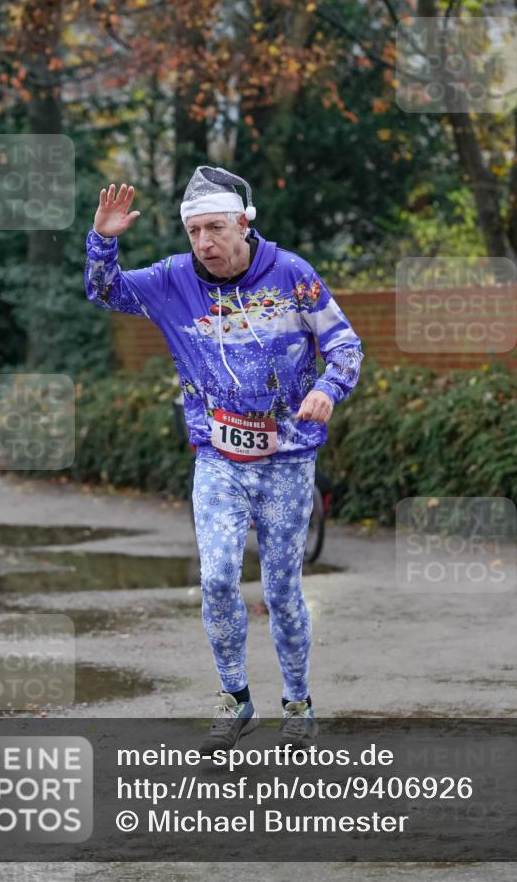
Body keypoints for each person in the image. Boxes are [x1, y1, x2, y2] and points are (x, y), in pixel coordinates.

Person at [85, 166, 364, 751]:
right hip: (217, 457)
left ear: (244, 223)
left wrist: (327, 390)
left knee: (282, 590)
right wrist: (103, 241)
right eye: (194, 232)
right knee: (215, 579)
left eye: (215, 228)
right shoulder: (173, 280)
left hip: (287, 460)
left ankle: (297, 701)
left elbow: (345, 346)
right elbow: (104, 290)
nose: (204, 243)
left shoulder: (292, 275)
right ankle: (235, 698)